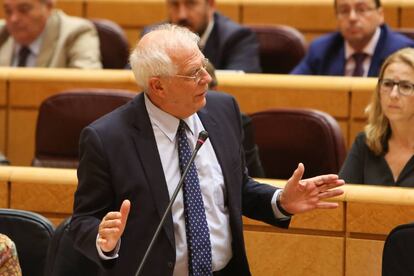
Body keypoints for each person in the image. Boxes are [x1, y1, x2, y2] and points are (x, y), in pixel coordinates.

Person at [70, 24, 344, 275]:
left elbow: (238, 189)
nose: (206, 78)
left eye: (203, 65)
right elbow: (83, 220)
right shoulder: (107, 138)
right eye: (193, 73)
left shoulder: (224, 110)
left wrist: (281, 201)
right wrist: (102, 239)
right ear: (158, 86)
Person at [339, 47, 414, 186]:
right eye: (387, 84)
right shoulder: (366, 143)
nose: (393, 95)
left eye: (405, 86)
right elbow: (343, 201)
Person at [291, 0, 414, 77]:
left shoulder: (402, 51)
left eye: (361, 9)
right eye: (344, 11)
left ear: (380, 15)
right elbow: (291, 89)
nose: (352, 18)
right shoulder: (320, 50)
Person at [142, 0, 261, 73]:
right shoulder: (152, 37)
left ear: (211, 4)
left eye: (191, 3)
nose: (181, 15)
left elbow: (239, 88)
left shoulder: (237, 37)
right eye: (174, 4)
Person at [0, 0, 102, 68]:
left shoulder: (76, 33)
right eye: (8, 11)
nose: (14, 19)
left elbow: (86, 86)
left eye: (24, 10)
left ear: (48, 7)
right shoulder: (2, 33)